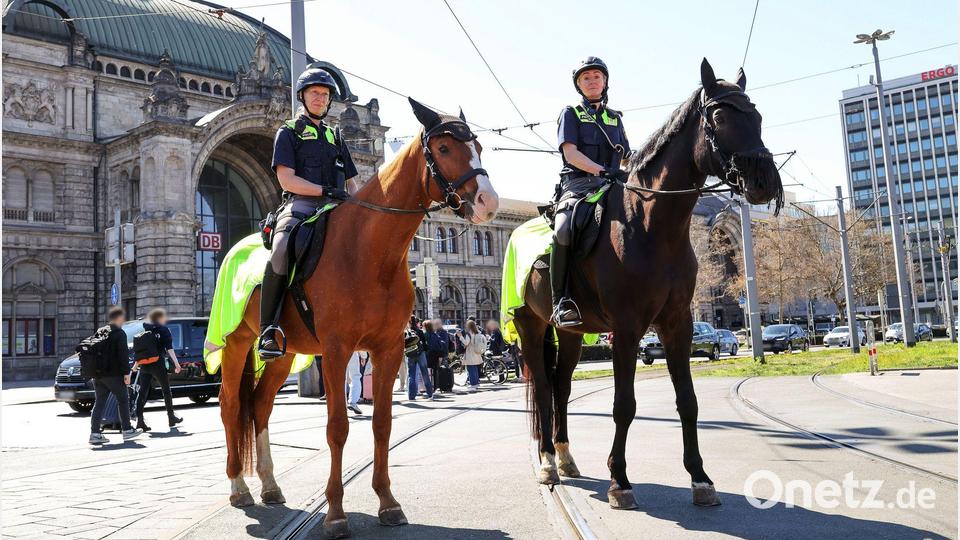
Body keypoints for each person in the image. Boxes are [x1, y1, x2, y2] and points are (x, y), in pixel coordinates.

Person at [258, 67, 360, 359]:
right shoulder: (288, 132)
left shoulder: (335, 136)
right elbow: (287, 180)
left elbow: (353, 184)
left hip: (338, 207)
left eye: (325, 94)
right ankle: (268, 330)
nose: (320, 98)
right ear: (302, 96)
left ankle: (398, 326)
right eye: (315, 93)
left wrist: (362, 208)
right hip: (301, 205)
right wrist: (324, 191)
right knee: (280, 248)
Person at [551, 57, 631, 327]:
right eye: (586, 78)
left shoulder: (615, 119)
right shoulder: (570, 113)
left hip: (612, 185)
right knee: (562, 229)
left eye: (597, 76)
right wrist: (600, 170)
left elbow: (628, 157)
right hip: (578, 186)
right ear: (579, 85)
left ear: (605, 81)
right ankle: (560, 301)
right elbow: (570, 153)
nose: (592, 81)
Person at [89, 307, 142, 445]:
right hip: (113, 374)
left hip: (98, 374)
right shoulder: (119, 333)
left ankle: (94, 433)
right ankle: (127, 429)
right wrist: (127, 374)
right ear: (118, 318)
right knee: (123, 399)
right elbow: (123, 356)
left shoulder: (100, 331)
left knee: (99, 403)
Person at [132, 308, 183, 431]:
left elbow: (141, 350)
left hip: (145, 365)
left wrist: (135, 366)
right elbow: (169, 349)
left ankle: (140, 420)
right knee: (166, 390)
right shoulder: (164, 330)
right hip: (158, 364)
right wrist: (177, 364)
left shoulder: (145, 329)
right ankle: (171, 418)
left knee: (142, 392)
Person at [406, 319, 434, 401]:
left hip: (410, 355)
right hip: (421, 354)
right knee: (425, 374)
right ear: (416, 323)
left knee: (411, 375)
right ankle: (430, 395)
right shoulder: (420, 331)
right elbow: (425, 345)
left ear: (409, 323)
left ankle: (411, 397)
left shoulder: (405, 333)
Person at [458, 320, 488, 392]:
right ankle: (476, 383)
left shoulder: (469, 334)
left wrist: (460, 336)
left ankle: (473, 384)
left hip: (470, 354)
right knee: (474, 369)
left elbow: (466, 343)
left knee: (471, 369)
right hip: (476, 353)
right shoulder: (477, 332)